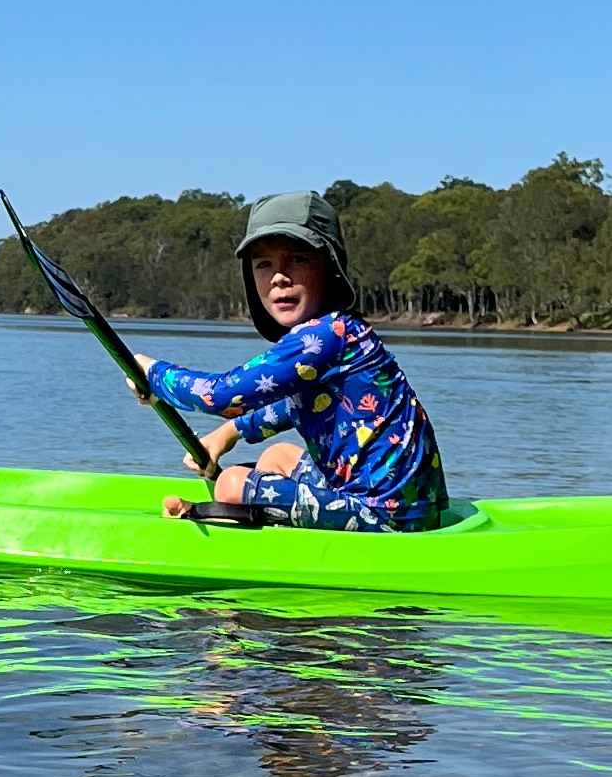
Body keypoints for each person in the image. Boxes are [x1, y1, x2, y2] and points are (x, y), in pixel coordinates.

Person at [139, 189, 448, 532]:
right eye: (264, 264)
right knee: (277, 457)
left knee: (231, 485)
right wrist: (228, 434)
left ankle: (199, 515)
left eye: (298, 259)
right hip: (396, 502)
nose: (278, 276)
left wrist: (152, 373)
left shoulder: (327, 335)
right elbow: (293, 406)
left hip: (388, 515)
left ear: (329, 268)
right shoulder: (337, 333)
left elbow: (220, 396)